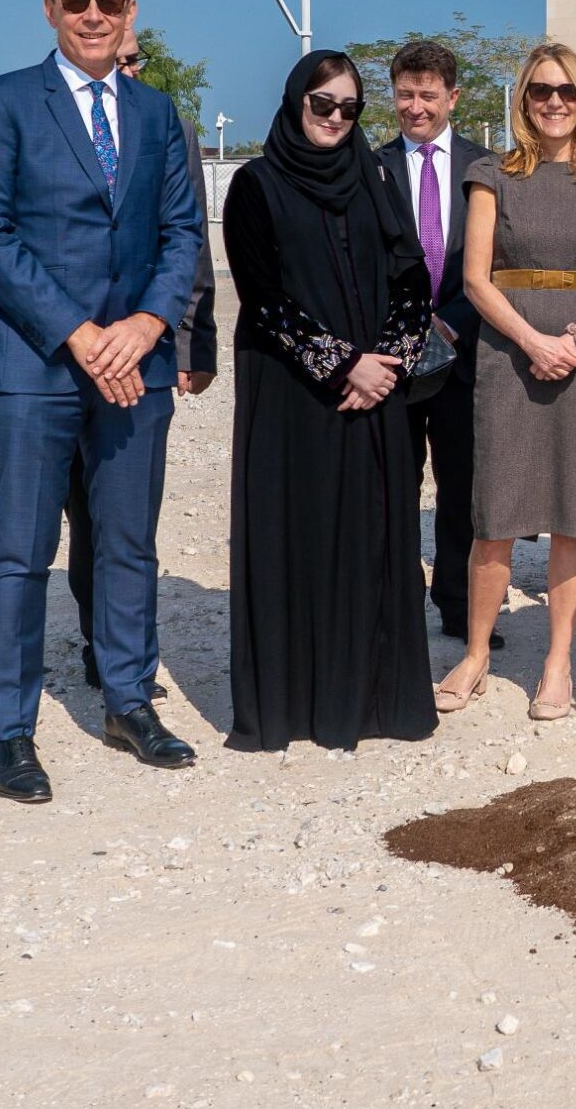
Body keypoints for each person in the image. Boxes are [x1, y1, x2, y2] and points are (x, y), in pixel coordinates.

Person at [0, 0, 206, 804]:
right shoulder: (2, 103)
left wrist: (145, 325)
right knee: (19, 552)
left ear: (130, 11)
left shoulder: (157, 112)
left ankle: (129, 701)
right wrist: (81, 333)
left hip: (138, 364)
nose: (93, 16)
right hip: (35, 365)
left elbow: (182, 230)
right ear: (50, 10)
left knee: (128, 543)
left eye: (108, 3)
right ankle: (10, 730)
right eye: (76, 2)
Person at [222, 52, 438, 751]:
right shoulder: (255, 184)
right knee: (301, 534)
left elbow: (413, 279)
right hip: (294, 398)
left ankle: (377, 702)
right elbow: (263, 298)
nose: (336, 118)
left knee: (373, 537)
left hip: (376, 395)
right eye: (323, 104)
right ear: (296, 103)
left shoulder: (375, 177)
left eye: (350, 108)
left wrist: (389, 363)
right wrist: (343, 364)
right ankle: (296, 707)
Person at [434, 42, 576, 720]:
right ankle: (476, 654)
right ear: (524, 100)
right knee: (494, 512)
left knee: (572, 515)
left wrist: (574, 341)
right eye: (542, 91)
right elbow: (475, 279)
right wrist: (531, 341)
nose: (555, 102)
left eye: (567, 91)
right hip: (509, 356)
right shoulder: (491, 174)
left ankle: (557, 663)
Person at [384, 39, 500, 652]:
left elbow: (498, 263)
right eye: (405, 94)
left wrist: (451, 323)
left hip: (467, 352)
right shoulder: (371, 168)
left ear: (453, 97)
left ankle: (458, 605)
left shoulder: (488, 170)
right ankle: (399, 604)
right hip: (395, 359)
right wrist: (405, 330)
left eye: (428, 95)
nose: (416, 107)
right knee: (394, 487)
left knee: (463, 489)